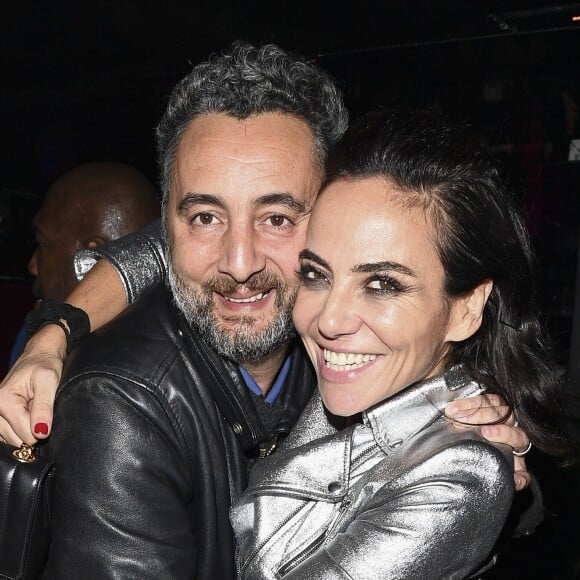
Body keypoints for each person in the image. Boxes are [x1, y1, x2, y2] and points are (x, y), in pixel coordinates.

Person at [0, 44, 531, 578]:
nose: (238, 262)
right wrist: (55, 330)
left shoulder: (333, 345)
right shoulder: (119, 401)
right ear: (170, 222)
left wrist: (487, 486)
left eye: (276, 218)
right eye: (206, 217)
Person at [231, 109, 575, 579]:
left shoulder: (460, 473)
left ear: (466, 308)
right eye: (316, 274)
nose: (328, 319)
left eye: (382, 284)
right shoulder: (351, 389)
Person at [7, 161, 160, 367]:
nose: (33, 266)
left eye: (43, 245)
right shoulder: (39, 339)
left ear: (90, 260)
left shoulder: (125, 382)